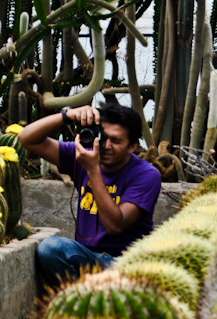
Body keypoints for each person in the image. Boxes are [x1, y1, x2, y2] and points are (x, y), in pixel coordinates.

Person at [18, 103, 161, 287]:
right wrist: (67, 115)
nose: (107, 146)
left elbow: (114, 226)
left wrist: (93, 169)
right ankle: (82, 305)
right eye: (104, 137)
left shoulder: (146, 175)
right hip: (85, 257)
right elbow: (26, 138)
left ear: (132, 146)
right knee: (49, 248)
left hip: (124, 264)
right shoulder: (83, 155)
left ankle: (89, 305)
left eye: (116, 141)